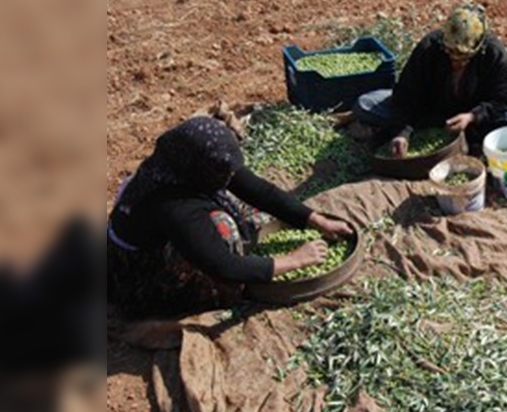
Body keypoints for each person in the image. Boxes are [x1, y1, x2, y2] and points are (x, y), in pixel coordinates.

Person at [106, 117, 353, 319]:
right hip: (140, 272)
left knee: (245, 214)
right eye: (225, 170)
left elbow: (258, 190)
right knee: (224, 231)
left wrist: (315, 219)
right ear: (200, 166)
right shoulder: (173, 204)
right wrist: (295, 260)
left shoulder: (184, 164)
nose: (231, 174)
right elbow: (222, 266)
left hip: (162, 233)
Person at [351, 2, 507, 156]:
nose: (455, 61)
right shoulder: (429, 47)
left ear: (478, 48)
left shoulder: (493, 54)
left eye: (463, 57)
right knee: (365, 104)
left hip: (472, 117)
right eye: (450, 54)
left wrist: (472, 116)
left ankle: (472, 138)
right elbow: (406, 92)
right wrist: (402, 133)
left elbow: (502, 100)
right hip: (430, 112)